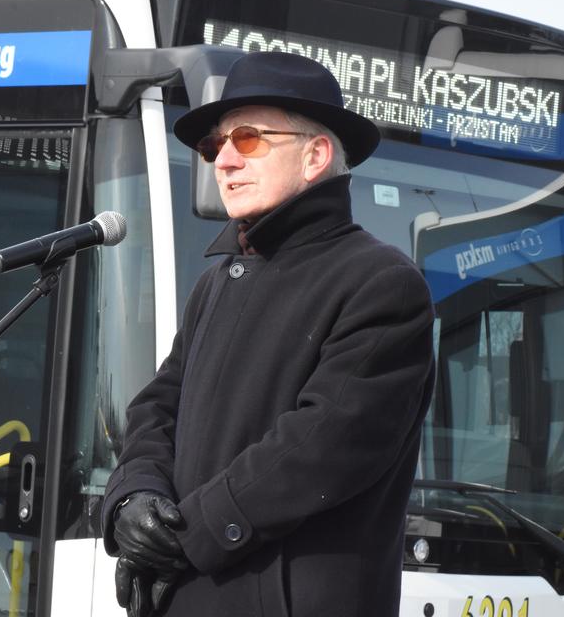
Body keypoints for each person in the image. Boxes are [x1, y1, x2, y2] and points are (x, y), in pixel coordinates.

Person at [102, 51, 436, 617]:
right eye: (214, 146)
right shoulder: (215, 283)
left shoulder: (383, 283)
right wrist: (135, 499)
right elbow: (157, 406)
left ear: (316, 156)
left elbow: (318, 449)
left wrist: (180, 542)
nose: (223, 161)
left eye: (249, 140)